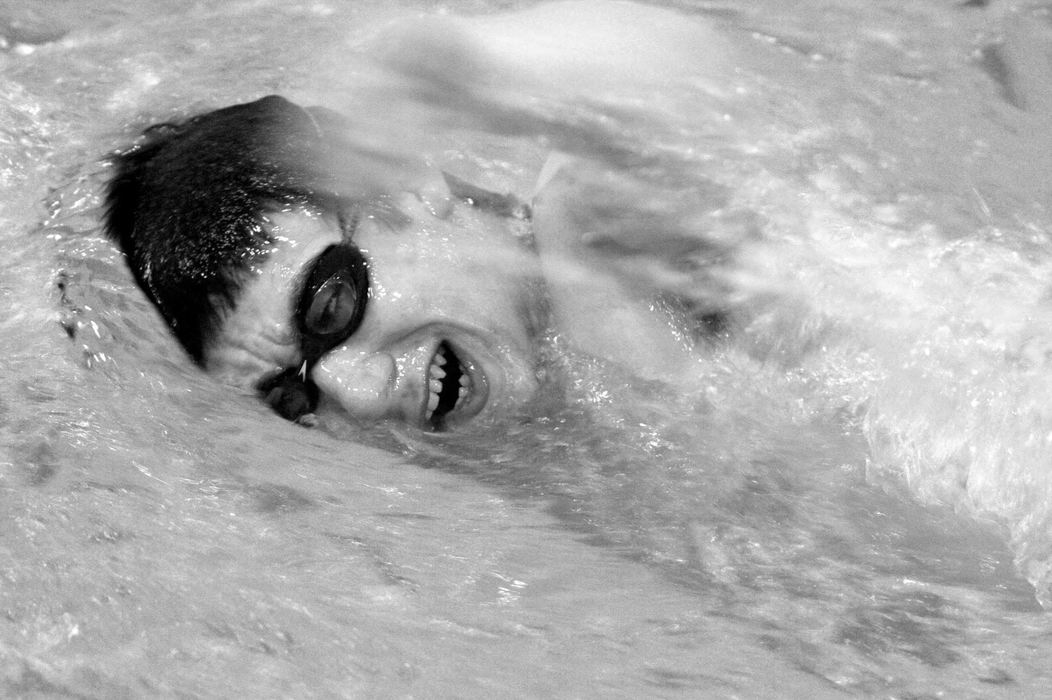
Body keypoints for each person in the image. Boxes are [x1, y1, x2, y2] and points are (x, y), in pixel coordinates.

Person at [105, 94, 702, 431]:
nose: (359, 397)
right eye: (293, 401)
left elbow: (659, 79)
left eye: (330, 308)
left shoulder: (614, 209)